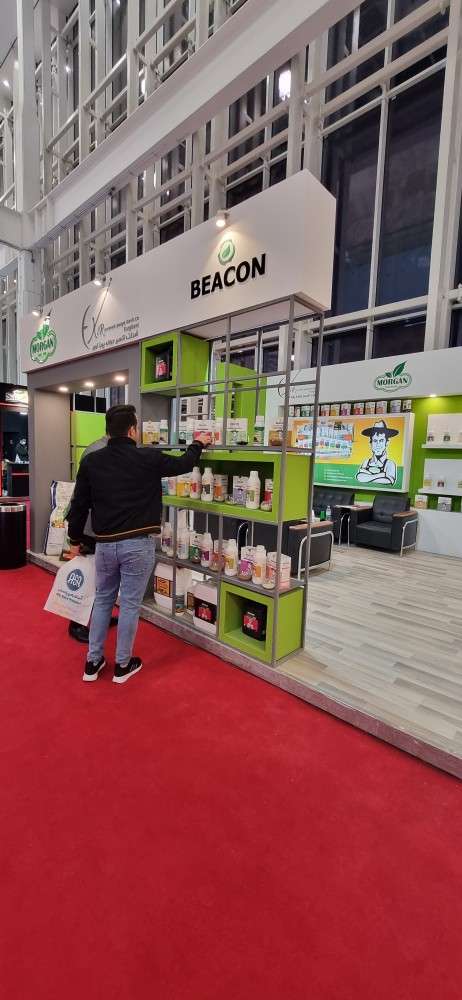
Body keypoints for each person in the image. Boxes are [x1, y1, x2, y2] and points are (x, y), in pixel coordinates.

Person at [67, 403, 210, 684]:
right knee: (130, 604)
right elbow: (183, 463)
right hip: (138, 544)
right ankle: (122, 665)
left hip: (105, 545)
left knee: (103, 599)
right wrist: (198, 443)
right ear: (133, 430)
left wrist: (75, 540)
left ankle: (92, 663)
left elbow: (79, 505)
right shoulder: (148, 457)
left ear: (108, 431)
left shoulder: (92, 461)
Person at [67, 434, 118, 644]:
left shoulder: (107, 449)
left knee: (102, 578)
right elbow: (82, 497)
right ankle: (76, 623)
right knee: (86, 576)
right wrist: (75, 537)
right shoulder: (96, 451)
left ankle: (99, 617)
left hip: (100, 524)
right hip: (88, 524)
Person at [356, 418, 398, 486]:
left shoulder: (390, 464)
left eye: (381, 441)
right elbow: (359, 477)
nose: (378, 444)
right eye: (375, 441)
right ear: (371, 443)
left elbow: (388, 480)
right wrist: (380, 475)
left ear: (387, 442)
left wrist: (367, 476)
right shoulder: (366, 462)